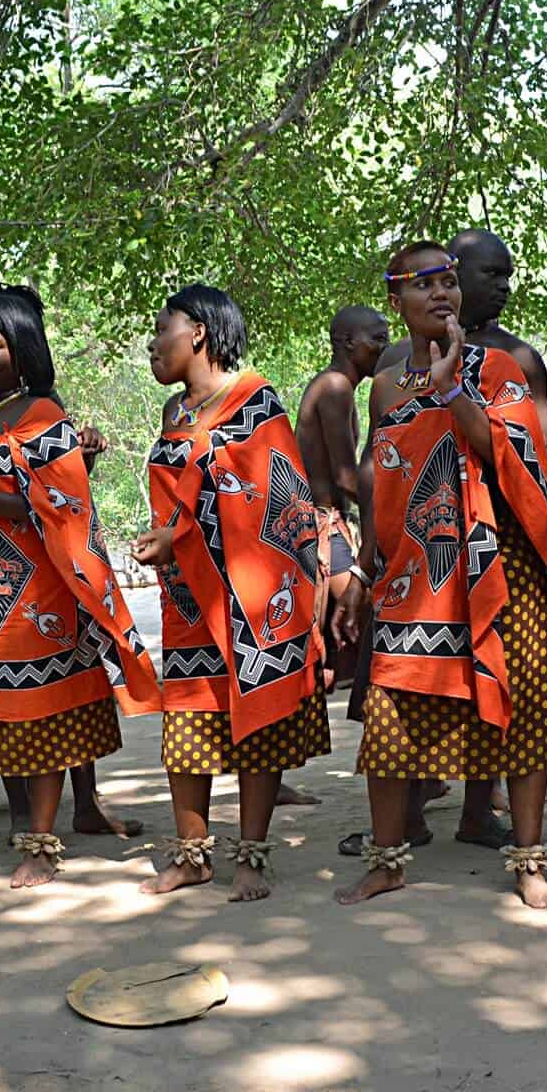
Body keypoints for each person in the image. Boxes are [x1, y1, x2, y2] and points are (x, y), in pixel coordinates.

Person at [331, 241, 547, 909]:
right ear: (397, 300)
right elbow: (385, 478)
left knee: (520, 714)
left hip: (499, 563)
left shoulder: (500, 367)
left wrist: (452, 386)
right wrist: (366, 564)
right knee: (390, 714)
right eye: (422, 286)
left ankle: (530, 865)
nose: (440, 295)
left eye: (448, 282)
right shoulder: (388, 383)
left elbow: (513, 458)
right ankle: (387, 860)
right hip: (416, 570)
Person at [0, 286, 161, 889]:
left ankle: (42, 847)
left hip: (38, 597)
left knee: (43, 723)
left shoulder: (43, 416)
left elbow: (63, 499)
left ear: (22, 350)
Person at [133, 283, 329, 902]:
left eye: (161, 329)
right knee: (187, 724)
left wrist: (181, 534)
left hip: (251, 596)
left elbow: (275, 499)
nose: (151, 345)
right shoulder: (175, 414)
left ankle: (251, 856)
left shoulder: (254, 402)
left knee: (257, 724)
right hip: (188, 597)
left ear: (196, 332)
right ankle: (192, 856)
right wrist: (170, 540)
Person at [297, 304, 388, 697]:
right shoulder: (335, 387)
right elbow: (345, 477)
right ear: (348, 343)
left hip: (330, 524)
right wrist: (390, 514)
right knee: (374, 620)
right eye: (378, 339)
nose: (385, 349)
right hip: (322, 528)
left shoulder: (339, 386)